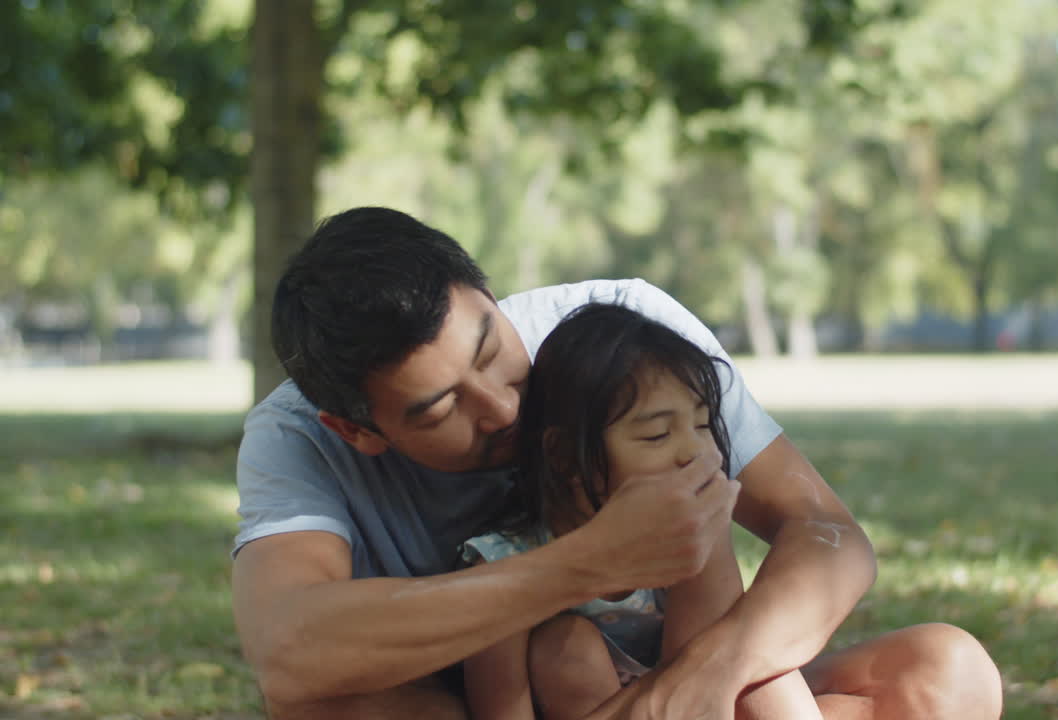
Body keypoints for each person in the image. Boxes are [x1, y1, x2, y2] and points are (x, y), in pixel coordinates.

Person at [231, 206, 1003, 719]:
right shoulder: (296, 436)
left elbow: (828, 536)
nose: (500, 408)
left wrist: (694, 687)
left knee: (948, 674)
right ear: (357, 429)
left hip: (696, 683)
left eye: (492, 348)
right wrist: (583, 564)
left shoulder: (619, 333)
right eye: (439, 409)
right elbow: (291, 653)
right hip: (495, 701)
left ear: (488, 294)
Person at [462, 303, 825, 720]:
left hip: (688, 694)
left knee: (760, 669)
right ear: (563, 455)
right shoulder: (502, 565)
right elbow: (500, 709)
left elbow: (696, 671)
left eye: (704, 425)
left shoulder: (694, 528)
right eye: (657, 434)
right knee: (566, 645)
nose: (697, 451)